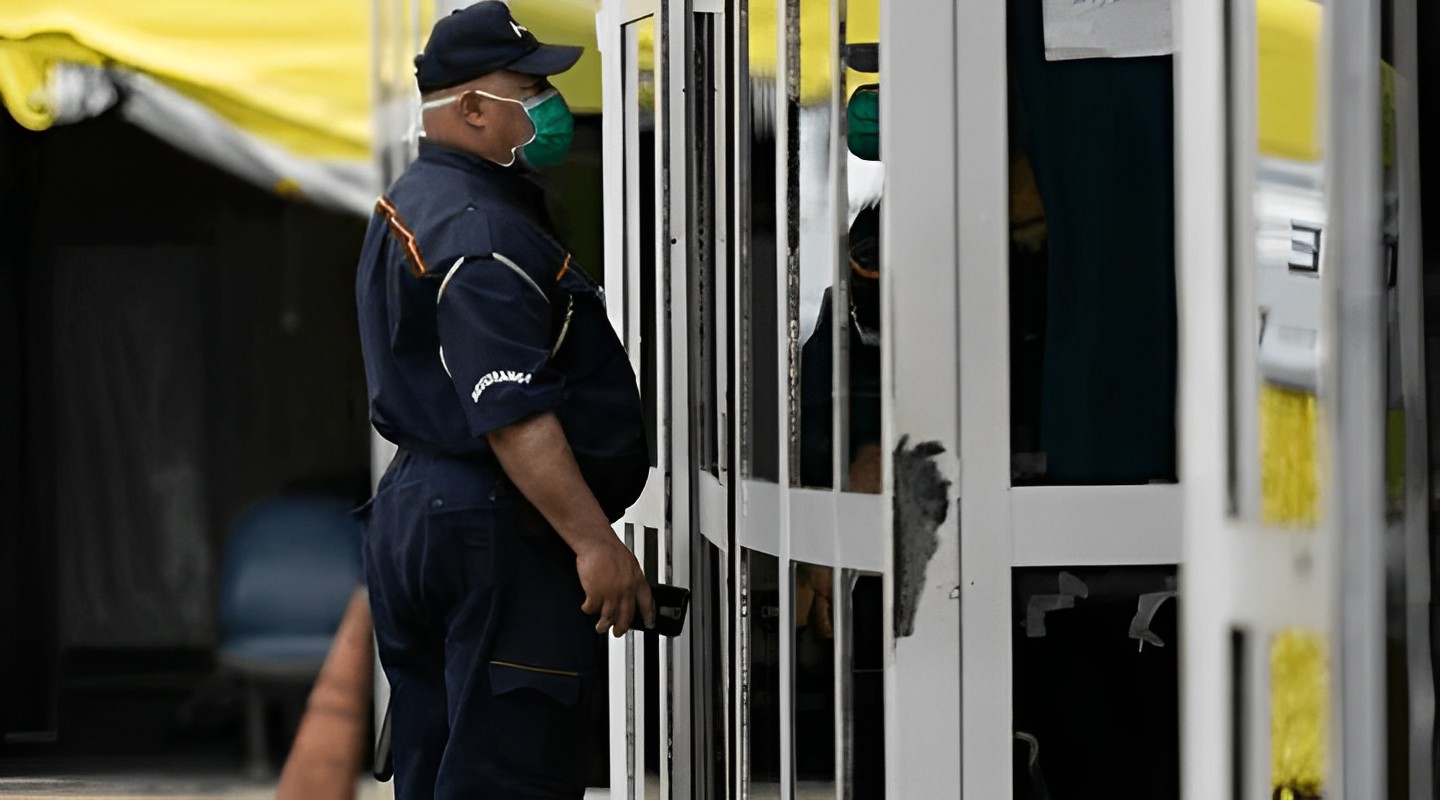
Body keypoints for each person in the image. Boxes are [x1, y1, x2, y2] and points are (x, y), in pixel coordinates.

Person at [353, 3, 653, 797]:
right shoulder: (480, 232)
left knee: (440, 763)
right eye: (531, 87)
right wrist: (594, 542)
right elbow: (512, 410)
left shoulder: (417, 200)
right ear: (474, 109)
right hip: (495, 524)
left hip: (427, 508)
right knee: (508, 774)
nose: (550, 104)